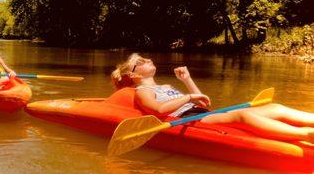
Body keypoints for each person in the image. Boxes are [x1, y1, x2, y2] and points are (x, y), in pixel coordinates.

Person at [111, 53, 314, 142]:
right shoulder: (142, 92)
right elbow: (159, 110)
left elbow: (202, 101)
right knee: (242, 116)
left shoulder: (165, 85)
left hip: (199, 113)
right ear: (134, 75)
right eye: (142, 61)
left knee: (274, 108)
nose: (149, 60)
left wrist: (188, 80)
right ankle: (306, 135)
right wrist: (189, 97)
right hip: (189, 120)